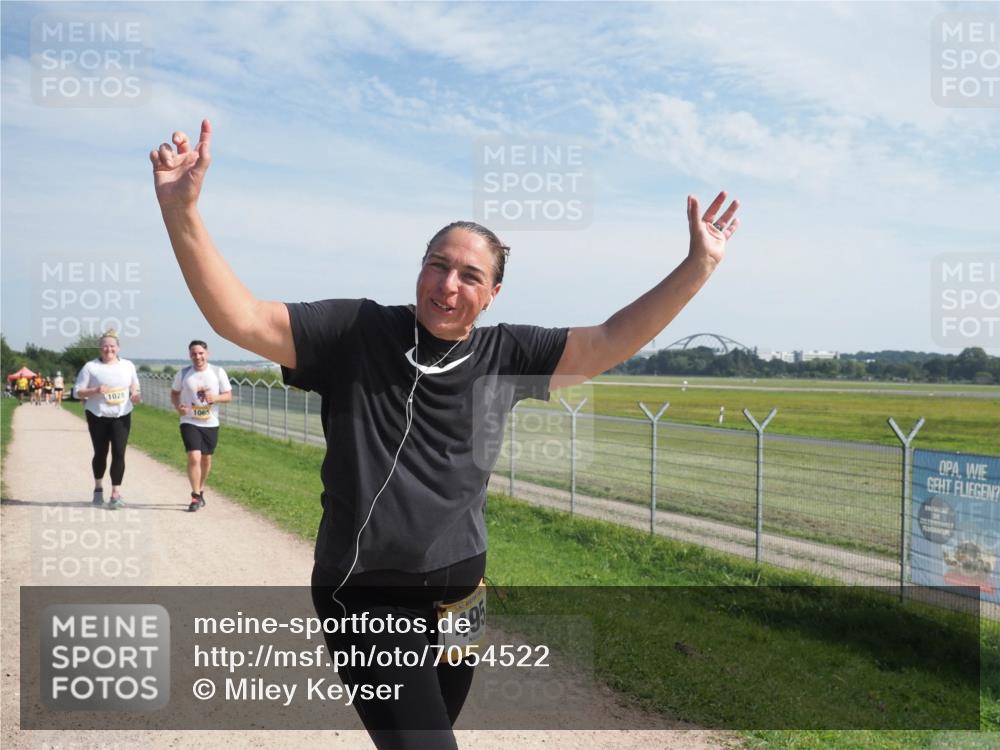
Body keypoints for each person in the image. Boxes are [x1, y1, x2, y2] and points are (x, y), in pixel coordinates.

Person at [151, 120, 740, 749]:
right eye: (438, 265)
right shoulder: (356, 332)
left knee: (432, 731)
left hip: (462, 592)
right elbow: (241, 317)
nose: (448, 285)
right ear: (421, 268)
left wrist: (698, 266)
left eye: (470, 275)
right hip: (367, 593)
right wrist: (182, 211)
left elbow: (608, 340)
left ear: (493, 294)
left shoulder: (506, 354)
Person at [73, 331, 141, 510]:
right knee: (100, 453)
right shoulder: (91, 367)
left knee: (119, 453)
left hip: (122, 415)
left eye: (112, 346)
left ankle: (115, 493)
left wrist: (135, 393)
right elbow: (77, 392)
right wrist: (95, 390)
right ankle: (98, 488)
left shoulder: (127, 365)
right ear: (99, 348)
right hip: (97, 415)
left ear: (118, 348)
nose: (108, 349)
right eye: (105, 346)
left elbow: (134, 384)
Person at [170, 339, 232, 512]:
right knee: (194, 457)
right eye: (194, 354)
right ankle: (195, 496)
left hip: (210, 422)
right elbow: (174, 393)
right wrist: (178, 407)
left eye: (200, 353)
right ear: (189, 355)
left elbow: (228, 395)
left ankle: (201, 488)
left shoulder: (218, 372)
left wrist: (216, 398)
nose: (197, 357)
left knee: (206, 459)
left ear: (207, 354)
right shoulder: (184, 373)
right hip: (189, 421)